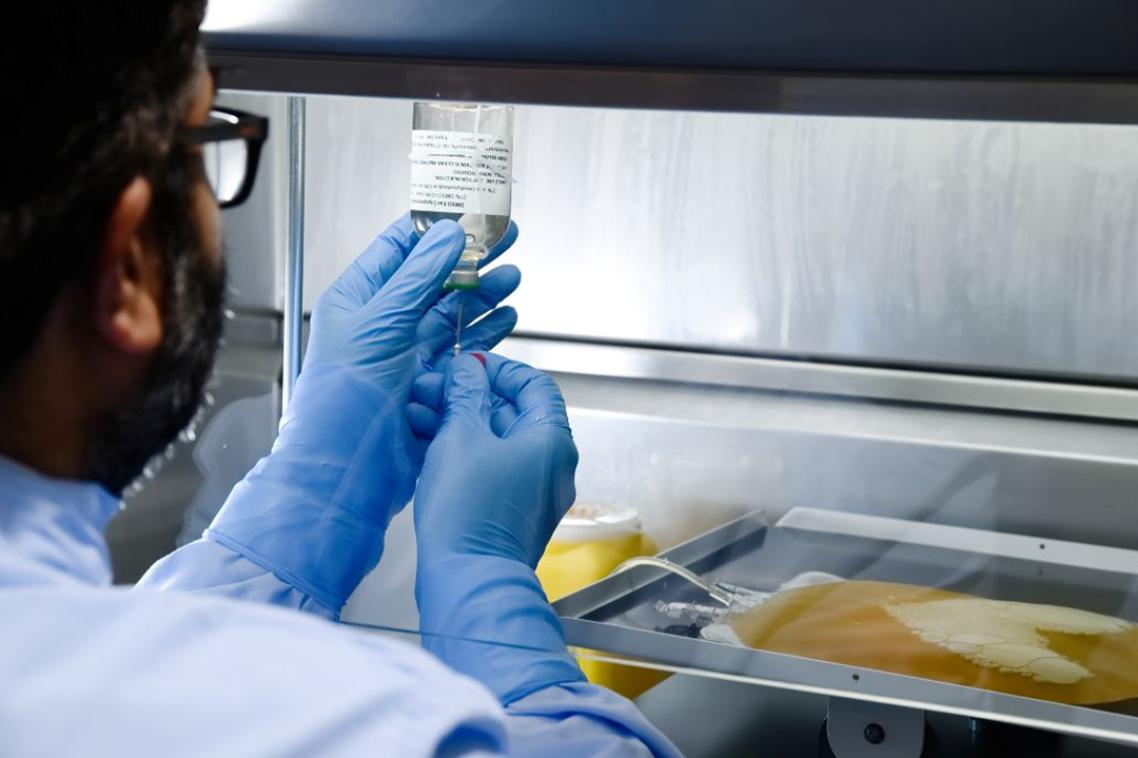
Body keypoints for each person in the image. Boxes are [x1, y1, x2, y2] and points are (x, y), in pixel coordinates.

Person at [0, 2, 680, 755]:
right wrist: (488, 598)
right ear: (124, 269)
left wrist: (311, 498)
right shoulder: (368, 728)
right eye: (205, 145)